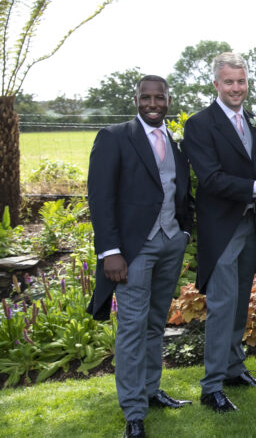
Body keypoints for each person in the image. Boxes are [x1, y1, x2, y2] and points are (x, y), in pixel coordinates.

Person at [87, 75, 193, 438]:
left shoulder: (171, 141)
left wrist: (184, 232)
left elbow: (180, 189)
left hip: (169, 244)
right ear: (136, 99)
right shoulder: (115, 137)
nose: (153, 103)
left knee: (155, 322)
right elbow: (100, 198)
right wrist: (110, 252)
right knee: (132, 327)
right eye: (146, 97)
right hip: (132, 252)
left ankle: (150, 391)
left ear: (167, 99)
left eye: (159, 97)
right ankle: (134, 412)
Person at [182, 52, 256, 412]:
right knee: (221, 307)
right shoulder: (200, 124)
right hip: (221, 230)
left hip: (248, 227)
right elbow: (211, 178)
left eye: (241, 81)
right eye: (229, 82)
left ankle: (235, 369)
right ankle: (211, 386)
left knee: (239, 305)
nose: (237, 88)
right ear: (216, 84)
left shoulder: (249, 121)